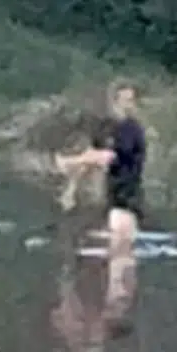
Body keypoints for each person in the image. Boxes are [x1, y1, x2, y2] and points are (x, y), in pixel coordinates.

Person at [56, 81, 147, 258]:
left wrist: (69, 162)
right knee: (117, 262)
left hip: (127, 200)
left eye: (131, 100)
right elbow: (92, 157)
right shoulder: (108, 129)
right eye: (125, 100)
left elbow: (107, 156)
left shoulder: (131, 129)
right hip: (114, 199)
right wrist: (70, 189)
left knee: (120, 260)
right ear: (114, 102)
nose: (130, 105)